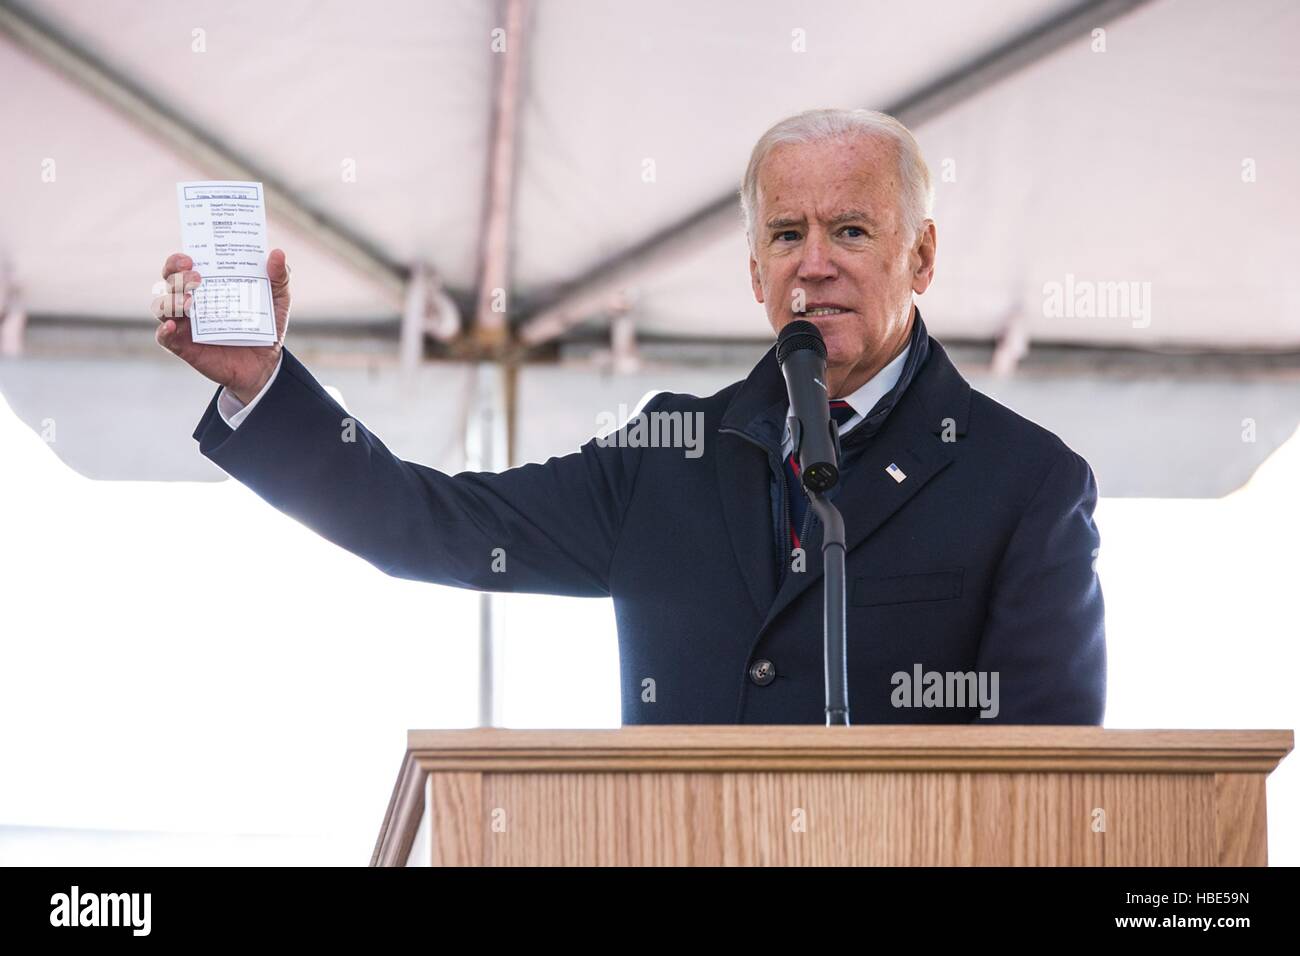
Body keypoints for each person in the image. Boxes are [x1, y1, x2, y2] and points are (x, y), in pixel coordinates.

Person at [153, 108, 1105, 725]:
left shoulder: (1024, 484)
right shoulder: (669, 456)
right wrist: (261, 386)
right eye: (786, 235)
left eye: (851, 230)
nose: (814, 263)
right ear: (754, 271)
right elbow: (430, 524)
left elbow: (1053, 785)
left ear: (922, 256)